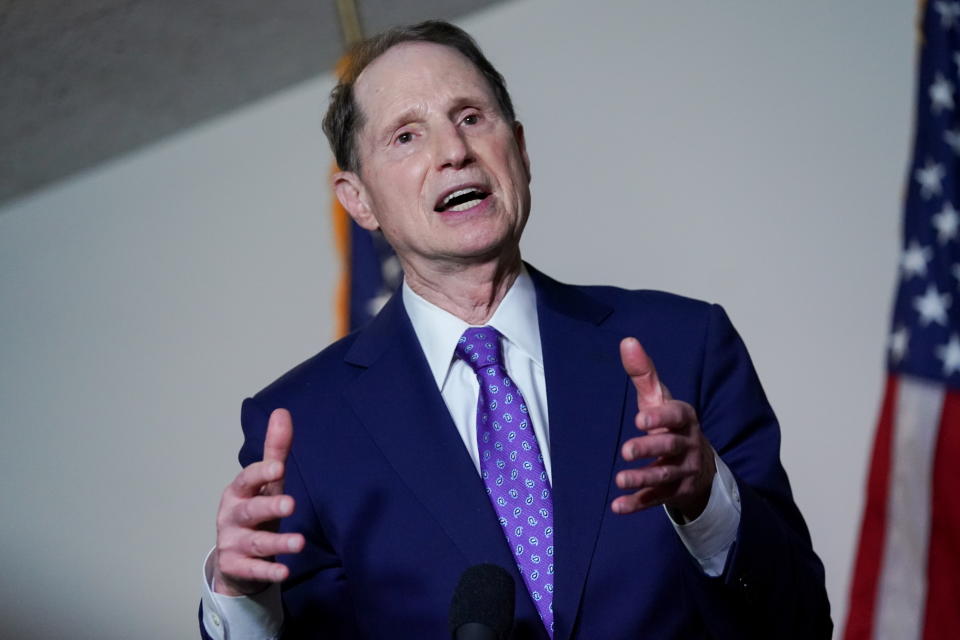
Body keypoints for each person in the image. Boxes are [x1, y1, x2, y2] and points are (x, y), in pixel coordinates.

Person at [199, 20, 831, 640]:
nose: (453, 152)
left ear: (520, 151)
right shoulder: (306, 428)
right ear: (358, 199)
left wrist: (707, 504)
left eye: (471, 117)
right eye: (406, 137)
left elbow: (803, 622)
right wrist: (241, 601)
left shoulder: (684, 345)